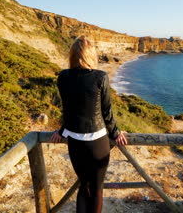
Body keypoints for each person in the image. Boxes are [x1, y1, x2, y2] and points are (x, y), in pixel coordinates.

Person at [51, 36, 128, 213]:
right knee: (96, 189)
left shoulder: (63, 76)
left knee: (83, 186)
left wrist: (62, 131)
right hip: (97, 142)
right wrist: (116, 133)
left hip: (75, 142)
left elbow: (68, 109)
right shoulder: (100, 76)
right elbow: (107, 112)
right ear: (91, 55)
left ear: (72, 55)